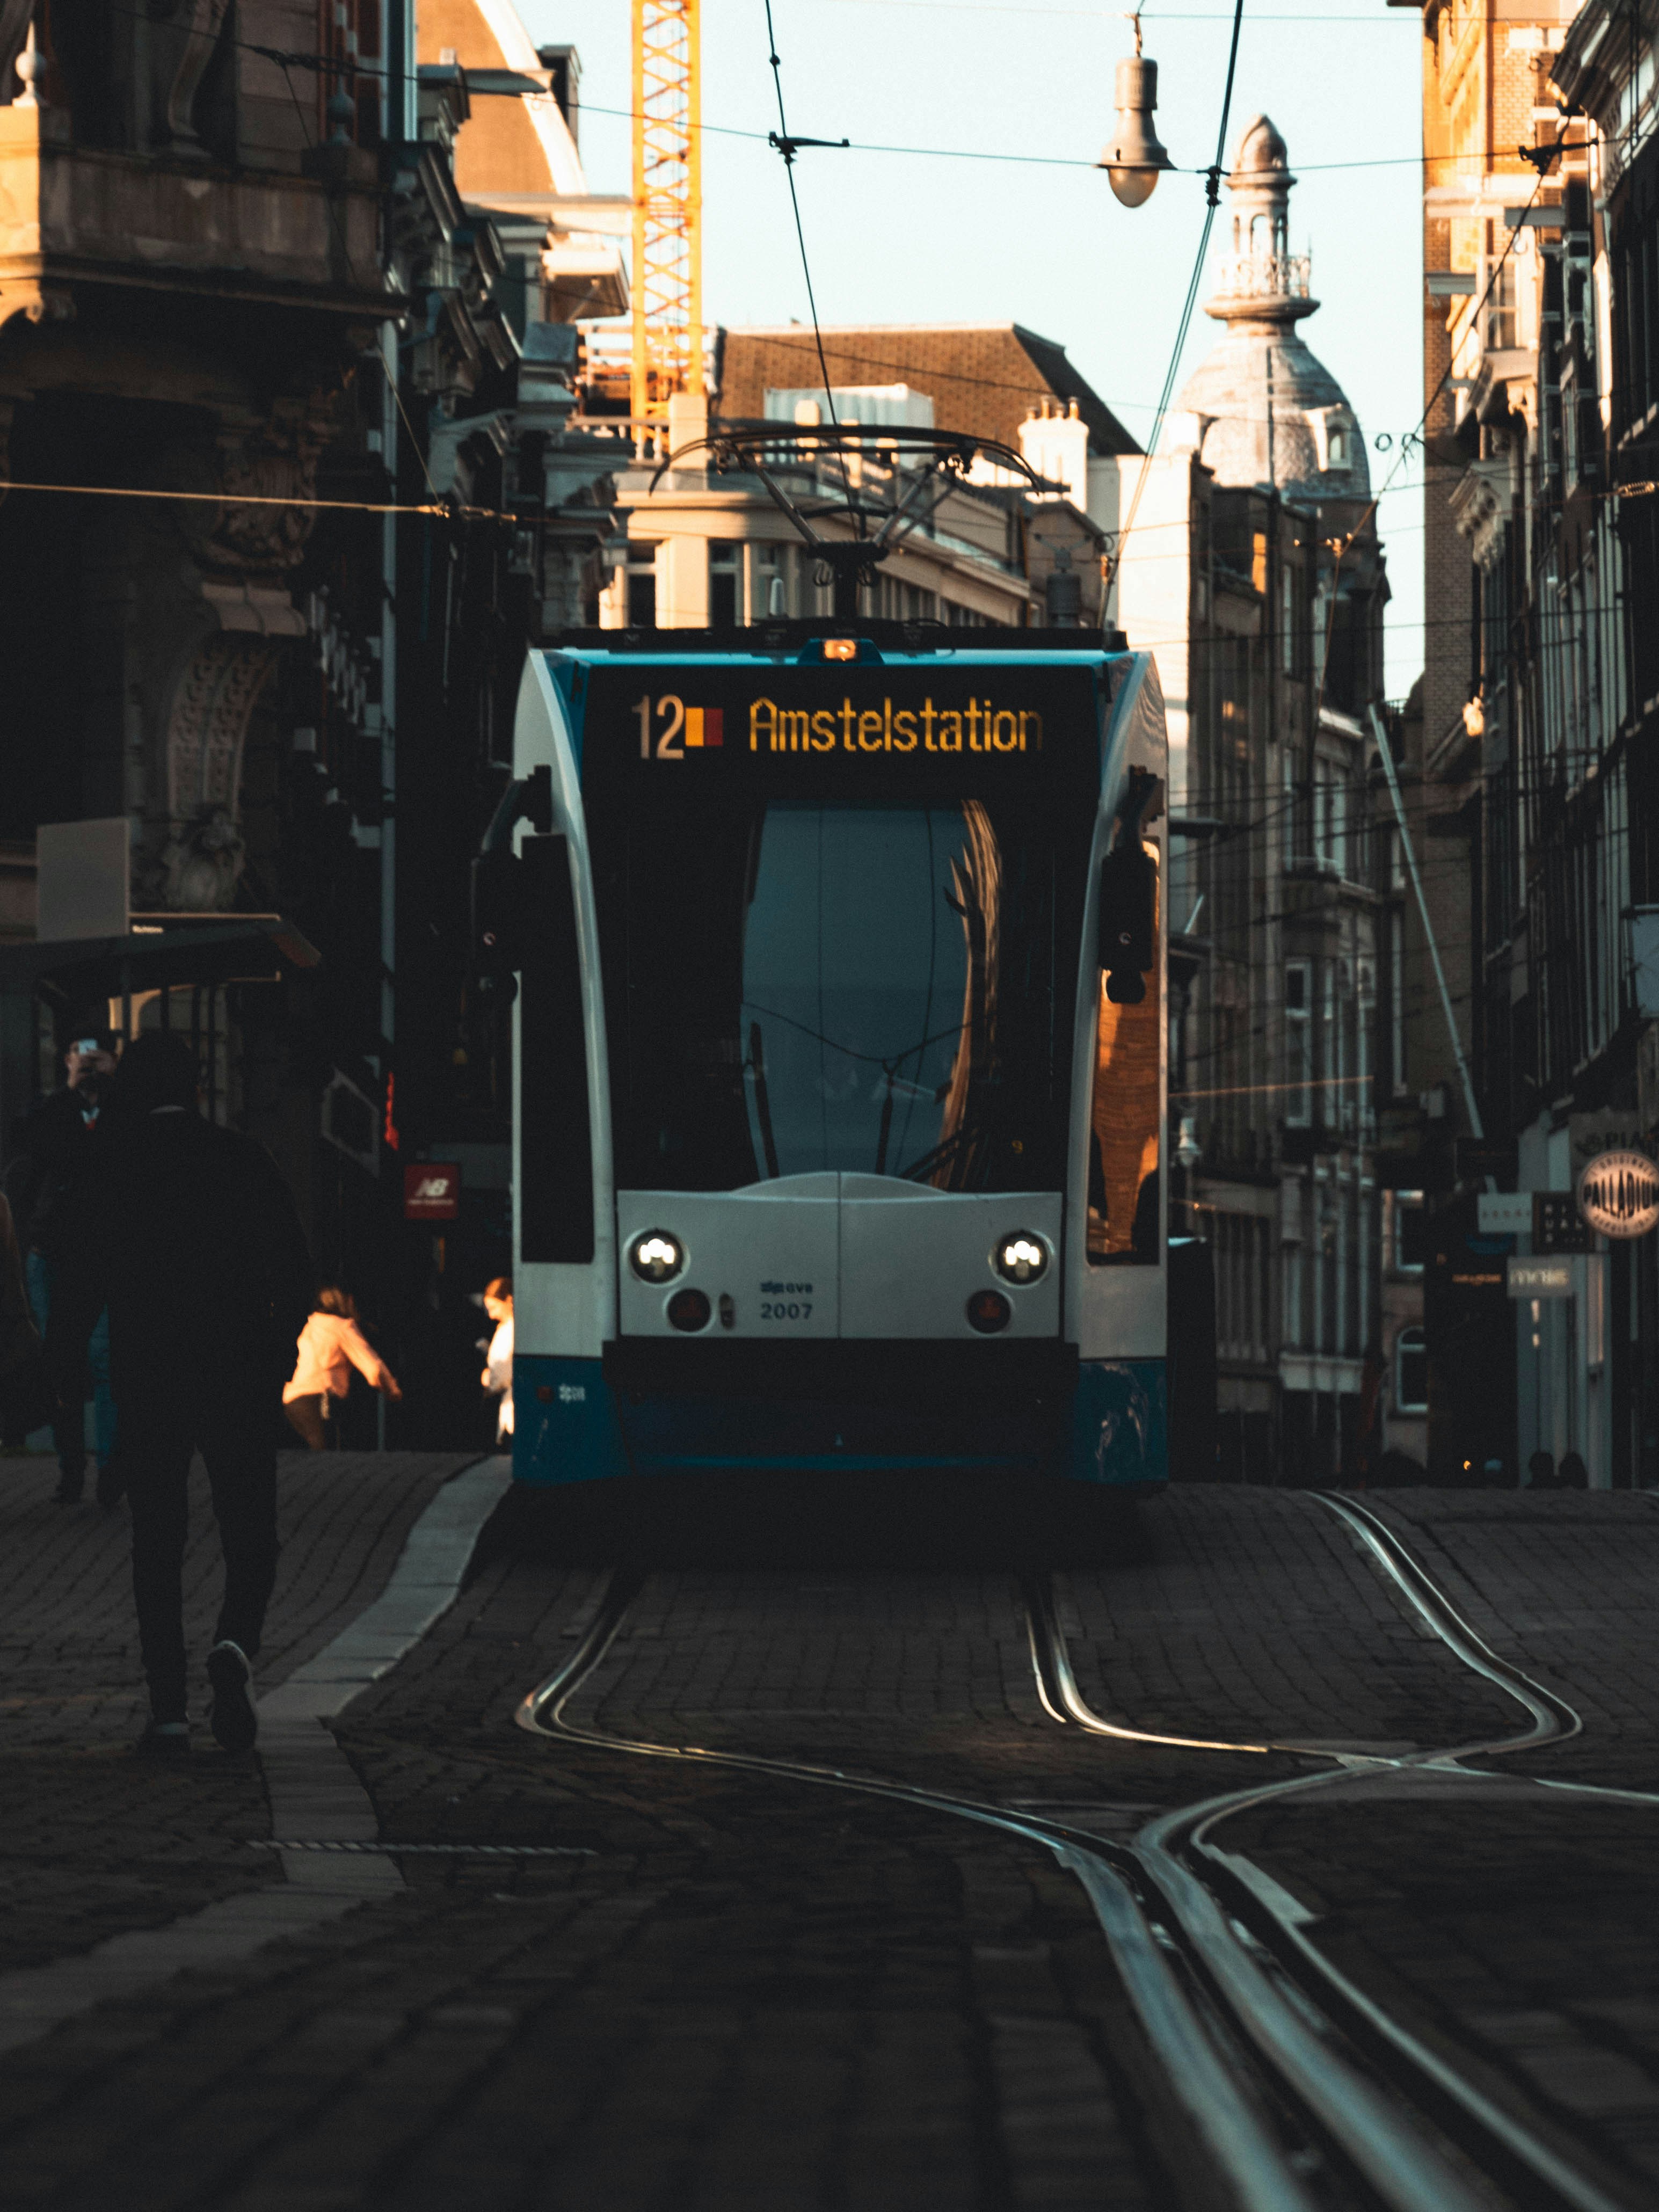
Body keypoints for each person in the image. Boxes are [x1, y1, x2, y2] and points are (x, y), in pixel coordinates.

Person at [45, 1032, 315, 1760]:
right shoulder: (240, 1159)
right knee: (249, 1530)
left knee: (157, 1543)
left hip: (150, 1374)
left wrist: (67, 1369)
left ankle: (167, 1712)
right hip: (236, 1372)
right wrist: (278, 1351)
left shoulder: (112, 1166)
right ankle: (234, 1642)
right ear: (197, 1084)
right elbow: (295, 1273)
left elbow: (78, 1283)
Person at [6, 1024, 120, 1502]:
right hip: (52, 1251)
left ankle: (111, 1471)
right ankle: (71, 1469)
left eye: (97, 1055)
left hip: (105, 1253)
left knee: (105, 1360)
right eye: (79, 1054)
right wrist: (69, 1094)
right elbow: (34, 1148)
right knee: (60, 1362)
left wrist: (110, 1091)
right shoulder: (52, 1108)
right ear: (67, 1060)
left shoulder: (123, 1109)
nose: (88, 1062)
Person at [283, 1286, 402, 1449]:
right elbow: (373, 1367)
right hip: (321, 1397)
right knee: (326, 1456)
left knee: (313, 1456)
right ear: (347, 1301)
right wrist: (393, 1390)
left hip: (293, 1400)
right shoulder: (343, 1327)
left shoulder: (312, 1325)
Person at [480, 1276, 513, 1444]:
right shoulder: (506, 1328)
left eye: (494, 1308)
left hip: (512, 1411)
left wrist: (489, 1379)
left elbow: (501, 1376)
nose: (491, 1315)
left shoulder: (510, 1331)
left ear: (509, 1300)